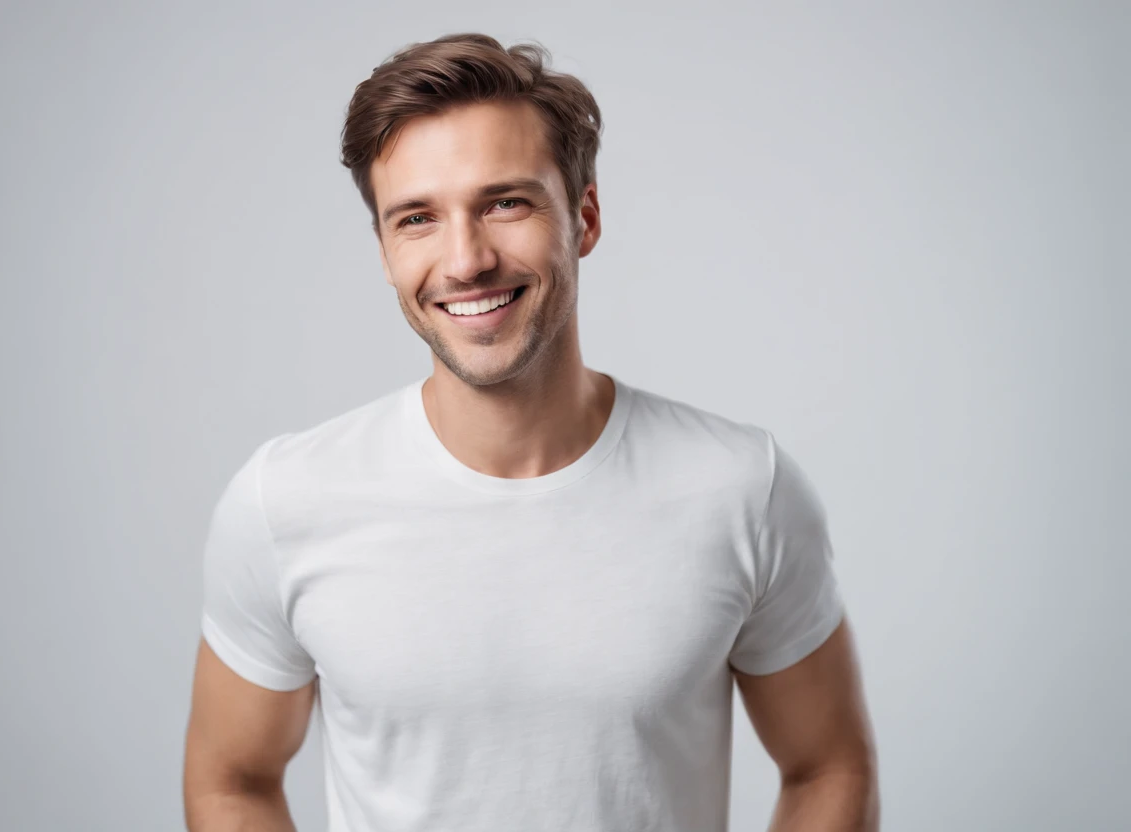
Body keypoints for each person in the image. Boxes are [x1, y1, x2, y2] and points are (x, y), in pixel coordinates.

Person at [183, 32, 879, 832]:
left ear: (583, 217)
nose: (466, 259)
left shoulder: (740, 488)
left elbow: (829, 765)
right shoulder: (286, 501)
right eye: (417, 218)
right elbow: (230, 779)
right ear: (383, 249)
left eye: (505, 202)